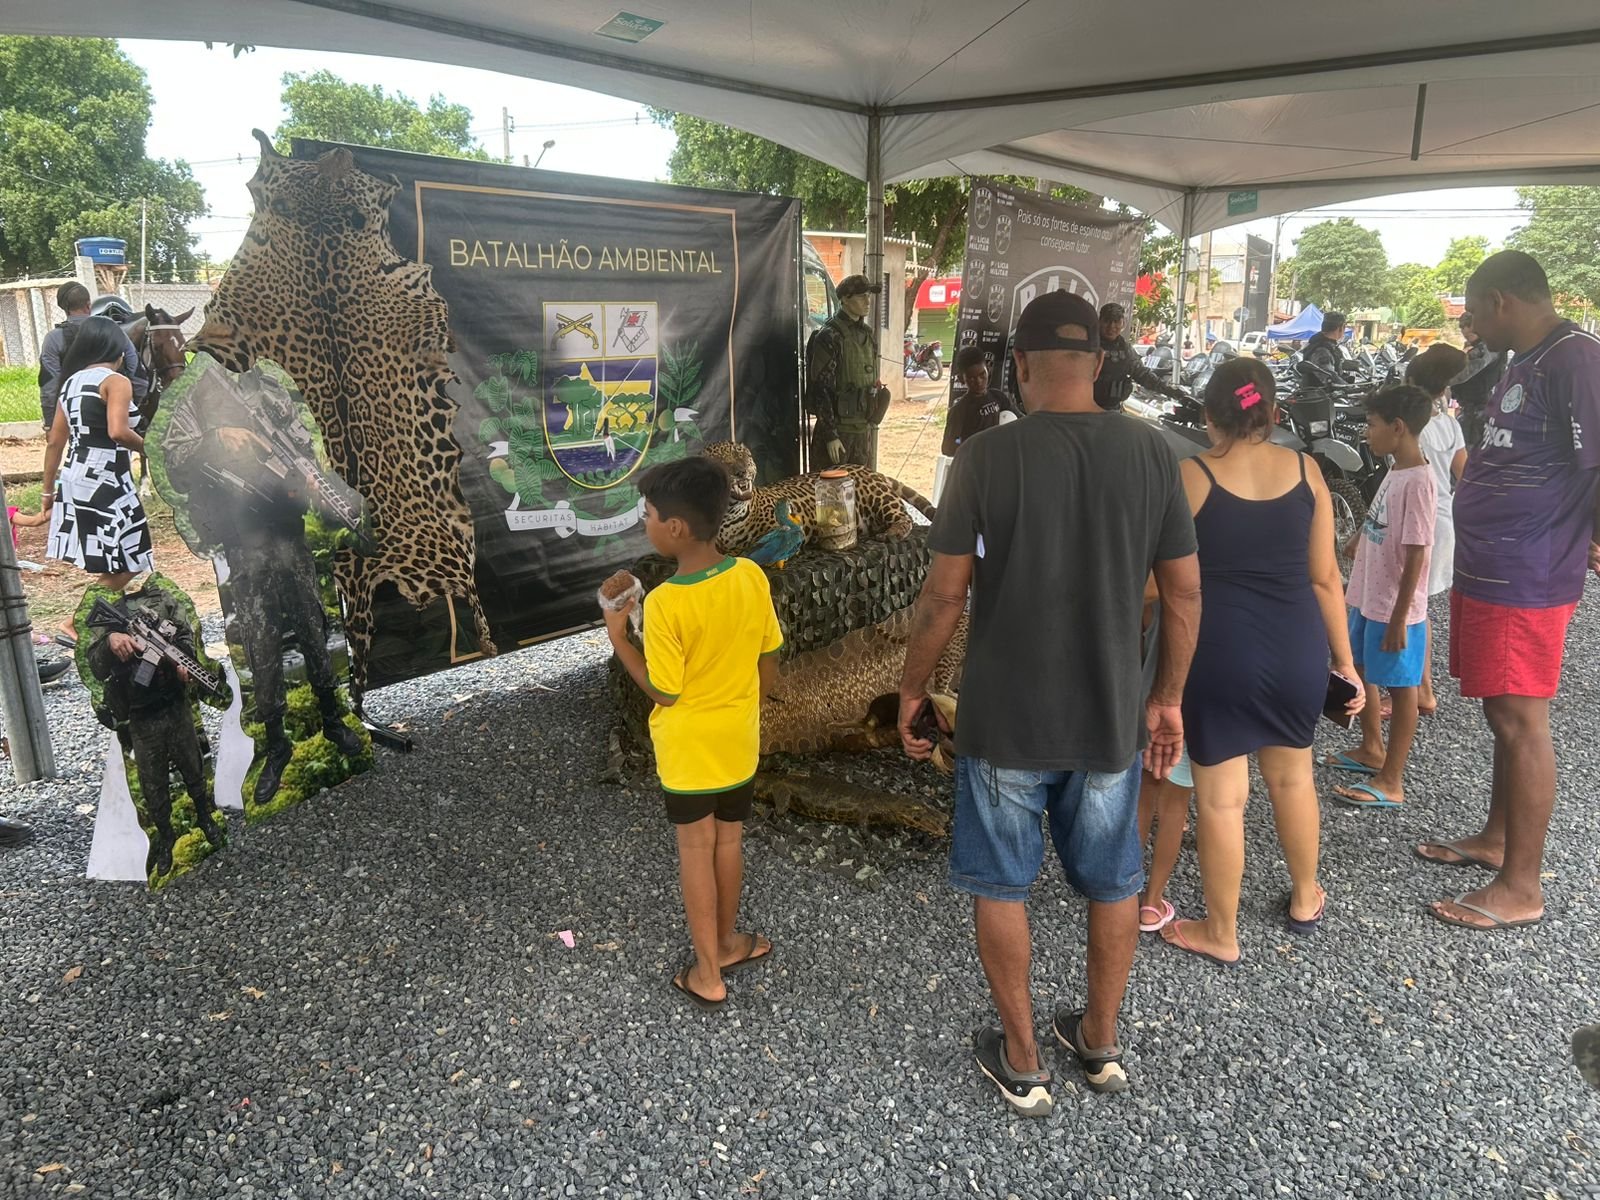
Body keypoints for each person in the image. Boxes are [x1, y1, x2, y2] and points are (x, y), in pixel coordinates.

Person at [897, 290, 1201, 1114]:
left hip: (1005, 718)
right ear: (1100, 366)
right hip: (1109, 717)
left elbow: (943, 597)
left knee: (1002, 885)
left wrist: (914, 686)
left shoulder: (986, 460)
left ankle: (1024, 1060)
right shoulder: (1150, 454)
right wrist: (1166, 698)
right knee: (1112, 884)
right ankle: (1099, 1044)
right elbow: (1183, 596)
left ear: (1020, 367)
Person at [1419, 251, 1600, 931]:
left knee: (1523, 721)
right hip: (1493, 563)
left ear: (1500, 300)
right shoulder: (1526, 358)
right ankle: (1497, 839)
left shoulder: (1578, 358)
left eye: (1472, 311)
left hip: (1528, 570)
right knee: (1501, 714)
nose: (1469, 327)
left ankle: (1522, 885)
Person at [1162, 359, 1362, 968]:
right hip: (1297, 647)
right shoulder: (1306, 470)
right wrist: (1347, 665)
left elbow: (1163, 578)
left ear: (1207, 416)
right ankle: (1306, 896)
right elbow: (1327, 578)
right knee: (1294, 777)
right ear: (1273, 413)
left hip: (1217, 653)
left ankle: (1221, 931)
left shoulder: (1190, 475)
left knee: (1222, 800)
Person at [603, 458, 783, 1009]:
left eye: (649, 515)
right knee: (729, 842)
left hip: (688, 754)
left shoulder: (664, 604)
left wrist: (618, 635)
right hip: (737, 743)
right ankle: (727, 943)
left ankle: (708, 973)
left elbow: (665, 691)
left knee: (695, 850)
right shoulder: (750, 575)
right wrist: (747, 707)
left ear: (676, 529)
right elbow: (769, 657)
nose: (646, 524)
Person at [162, 366, 367, 806]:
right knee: (261, 643)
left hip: (288, 534)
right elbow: (170, 457)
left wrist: (311, 479)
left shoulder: (272, 387)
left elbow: (303, 446)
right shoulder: (199, 391)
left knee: (314, 628)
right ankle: (276, 743)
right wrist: (218, 437)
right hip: (242, 541)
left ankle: (332, 719)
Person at [1326, 384, 1436, 810]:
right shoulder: (1395, 470)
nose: (1366, 433)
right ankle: (1371, 746)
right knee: (1360, 668)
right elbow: (1379, 515)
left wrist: (1399, 618)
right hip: (1369, 595)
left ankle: (1393, 777)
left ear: (1398, 427)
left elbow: (1417, 554)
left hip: (1395, 607)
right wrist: (1356, 538)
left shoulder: (1420, 481)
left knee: (1403, 687)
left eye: (1371, 425)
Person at [85, 585, 226, 879]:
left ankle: (205, 818)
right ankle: (165, 839)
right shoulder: (113, 616)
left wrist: (182, 661)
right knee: (153, 784)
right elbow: (96, 666)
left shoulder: (165, 600)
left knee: (193, 767)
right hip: (140, 714)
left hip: (174, 705)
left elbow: (185, 638)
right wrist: (112, 641)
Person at [40, 317, 155, 643]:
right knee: (133, 557)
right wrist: (153, 450)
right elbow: (118, 431)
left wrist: (48, 492)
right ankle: (75, 622)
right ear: (117, 349)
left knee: (119, 558)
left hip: (77, 478)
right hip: (108, 480)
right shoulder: (115, 381)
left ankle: (102, 622)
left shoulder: (72, 383)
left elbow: (55, 442)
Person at [1406, 344, 1470, 714]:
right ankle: (1419, 687)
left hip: (1422, 523)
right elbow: (1466, 474)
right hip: (1445, 520)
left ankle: (1422, 690)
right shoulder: (1450, 423)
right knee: (1420, 609)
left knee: (1414, 613)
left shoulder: (1416, 429)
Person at [36, 283, 146, 434]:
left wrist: (50, 423)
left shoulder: (53, 339)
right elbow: (136, 370)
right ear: (89, 306)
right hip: (115, 410)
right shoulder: (114, 330)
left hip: (77, 416)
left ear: (63, 308)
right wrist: (137, 409)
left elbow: (49, 384)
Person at [806, 275, 889, 468]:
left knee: (861, 494)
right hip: (838, 432)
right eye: (861, 297)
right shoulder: (829, 336)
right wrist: (830, 436)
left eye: (868, 295)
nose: (868, 301)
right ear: (844, 299)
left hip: (861, 430)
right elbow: (821, 390)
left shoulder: (867, 335)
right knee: (831, 494)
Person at [1094, 302, 1192, 411]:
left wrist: (1171, 391)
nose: (1111, 326)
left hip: (1113, 410)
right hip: (1086, 409)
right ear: (1099, 321)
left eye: (1116, 322)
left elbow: (1143, 375)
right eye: (1107, 321)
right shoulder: (1089, 345)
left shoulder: (1125, 350)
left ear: (1123, 323)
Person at [941, 347, 1021, 455]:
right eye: (971, 378)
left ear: (988, 370)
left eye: (982, 374)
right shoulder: (959, 410)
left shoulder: (998, 397)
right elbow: (948, 447)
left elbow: (1019, 419)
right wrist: (969, 444)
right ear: (961, 379)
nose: (979, 381)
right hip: (978, 465)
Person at [1449, 311, 1508, 452]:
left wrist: (1436, 379)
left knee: (1469, 454)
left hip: (1480, 411)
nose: (1463, 330)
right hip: (1476, 409)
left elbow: (1464, 372)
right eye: (1461, 326)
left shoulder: (1487, 347)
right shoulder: (1482, 346)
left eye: (1466, 326)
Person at [1300, 310, 1349, 379]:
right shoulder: (1322, 350)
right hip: (1321, 389)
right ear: (1341, 327)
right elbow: (1329, 378)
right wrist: (1348, 386)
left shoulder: (1319, 343)